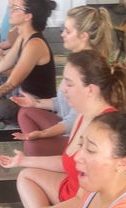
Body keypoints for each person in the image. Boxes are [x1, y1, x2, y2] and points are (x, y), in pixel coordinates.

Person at [0, 50, 126, 208]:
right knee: (26, 176)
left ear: (90, 90)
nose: (62, 89)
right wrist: (23, 161)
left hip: (95, 207)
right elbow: (67, 161)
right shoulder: (83, 115)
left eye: (69, 83)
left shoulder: (104, 129)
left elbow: (87, 202)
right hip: (76, 191)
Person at [11, 6, 114, 156]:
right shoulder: (77, 60)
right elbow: (62, 102)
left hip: (82, 135)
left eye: (67, 31)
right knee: (26, 112)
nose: (62, 34)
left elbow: (74, 121)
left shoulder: (88, 69)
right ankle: (47, 151)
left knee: (33, 147)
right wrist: (35, 103)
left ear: (83, 36)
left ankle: (58, 155)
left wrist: (43, 134)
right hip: (68, 124)